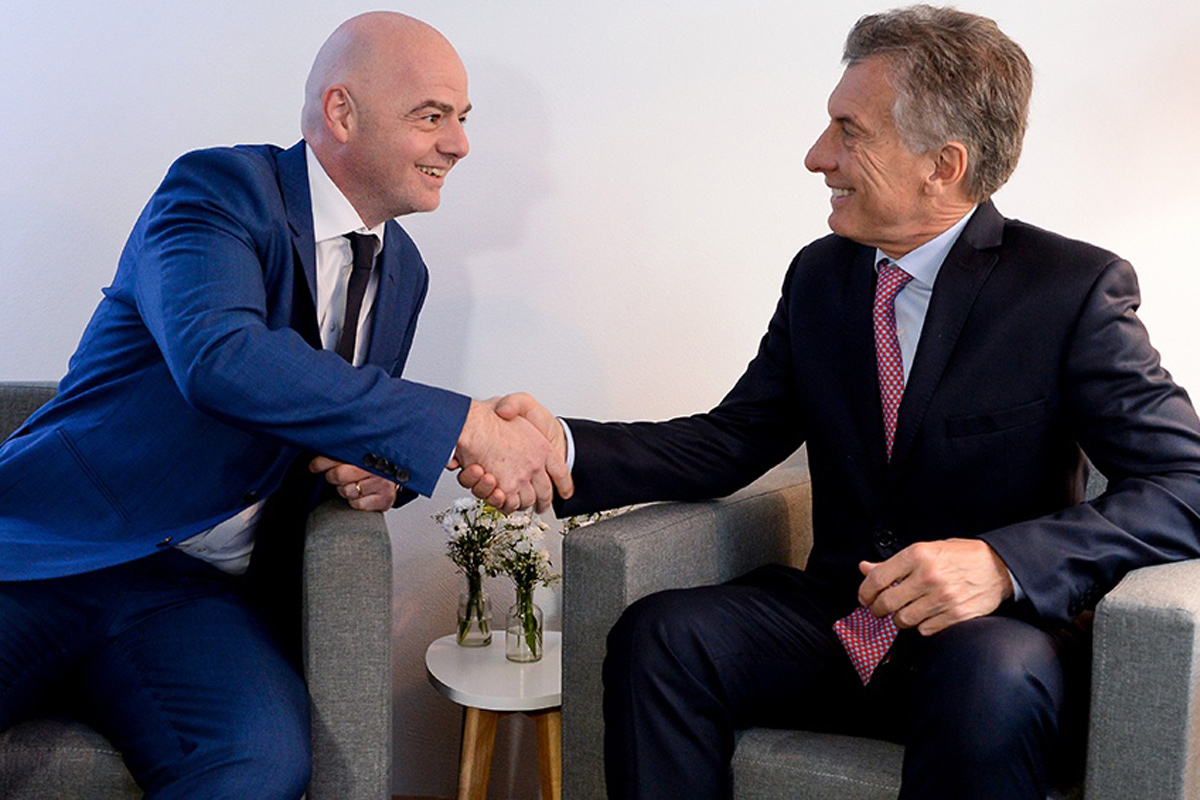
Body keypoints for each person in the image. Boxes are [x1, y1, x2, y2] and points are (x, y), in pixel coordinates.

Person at [461, 5, 1200, 798]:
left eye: (850, 132)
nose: (818, 157)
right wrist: (560, 448)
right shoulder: (822, 276)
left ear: (942, 165)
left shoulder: (1070, 290)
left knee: (990, 677)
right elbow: (733, 439)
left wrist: (1003, 562)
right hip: (840, 619)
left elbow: (1184, 486)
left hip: (990, 641)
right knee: (662, 636)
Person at [0, 12, 569, 799]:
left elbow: (339, 421)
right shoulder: (218, 191)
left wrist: (381, 477)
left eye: (462, 120)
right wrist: (462, 424)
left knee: (264, 763)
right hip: (48, 551)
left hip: (189, 597)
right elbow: (221, 358)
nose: (459, 144)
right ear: (341, 113)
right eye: (431, 116)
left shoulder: (404, 271)